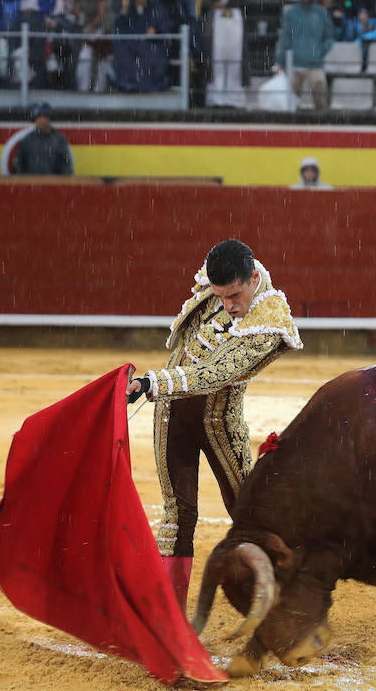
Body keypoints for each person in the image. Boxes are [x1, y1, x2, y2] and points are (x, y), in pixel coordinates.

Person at [124, 239, 301, 611]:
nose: (229, 305)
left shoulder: (270, 322)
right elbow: (184, 348)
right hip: (172, 415)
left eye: (235, 295)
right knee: (178, 514)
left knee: (249, 511)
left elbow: (214, 373)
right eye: (221, 297)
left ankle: (287, 604)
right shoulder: (222, 284)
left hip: (220, 422)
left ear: (253, 279)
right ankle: (167, 618)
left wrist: (153, 383)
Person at [275, 0, 334, 109]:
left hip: (315, 64)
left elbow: (329, 37)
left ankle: (322, 124)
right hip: (295, 64)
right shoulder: (291, 14)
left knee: (320, 98)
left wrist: (320, 51)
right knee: (290, 103)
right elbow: (285, 39)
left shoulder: (321, 13)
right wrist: (280, 62)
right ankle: (290, 127)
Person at [202, 0, 245, 107]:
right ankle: (217, 95)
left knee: (234, 55)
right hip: (218, 21)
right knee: (218, 56)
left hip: (233, 19)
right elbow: (209, 0)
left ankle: (233, 95)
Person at [113, 0, 169, 91]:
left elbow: (165, 25)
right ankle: (128, 84)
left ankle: (149, 86)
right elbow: (120, 30)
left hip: (151, 45)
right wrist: (123, 13)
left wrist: (156, 30)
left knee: (152, 55)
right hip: (131, 46)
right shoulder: (128, 10)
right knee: (125, 54)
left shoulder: (156, 8)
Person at [11, 102, 74, 175]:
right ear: (34, 120)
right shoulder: (27, 140)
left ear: (49, 118)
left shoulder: (59, 139)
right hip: (31, 183)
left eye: (44, 116)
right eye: (38, 117)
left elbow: (66, 164)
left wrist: (63, 182)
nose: (41, 120)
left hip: (53, 183)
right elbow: (17, 164)